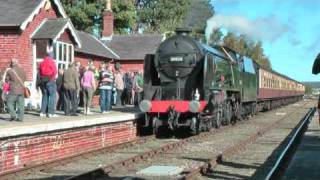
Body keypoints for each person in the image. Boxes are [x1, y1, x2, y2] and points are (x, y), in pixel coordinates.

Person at [39, 51, 58, 118]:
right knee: (52, 96)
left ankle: (42, 112)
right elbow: (55, 71)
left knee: (45, 96)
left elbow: (40, 72)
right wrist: (53, 78)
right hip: (50, 80)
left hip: (43, 80)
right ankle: (51, 113)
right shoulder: (52, 62)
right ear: (51, 55)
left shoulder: (41, 62)